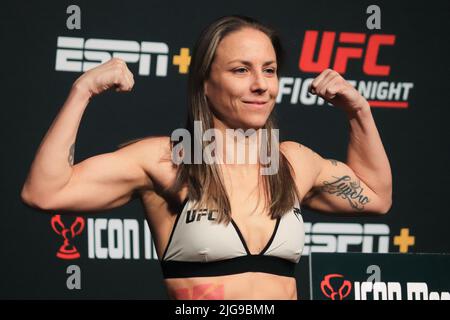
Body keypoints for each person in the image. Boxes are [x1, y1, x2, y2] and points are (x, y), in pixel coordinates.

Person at [20, 15, 392, 300]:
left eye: (270, 70)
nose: (260, 84)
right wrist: (82, 90)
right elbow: (44, 192)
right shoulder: (169, 159)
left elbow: (376, 196)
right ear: (205, 82)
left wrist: (358, 111)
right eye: (241, 70)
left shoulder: (293, 162)